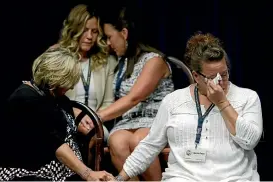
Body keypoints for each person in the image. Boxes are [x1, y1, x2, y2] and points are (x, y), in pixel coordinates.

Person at [111, 32, 263, 181]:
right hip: (183, 178)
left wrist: (222, 103)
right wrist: (119, 178)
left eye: (224, 74)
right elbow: (150, 146)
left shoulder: (247, 97)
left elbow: (250, 141)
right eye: (212, 77)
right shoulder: (174, 101)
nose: (220, 82)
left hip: (233, 178)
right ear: (196, 76)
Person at [0, 47, 114, 181]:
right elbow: (55, 143)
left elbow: (64, 122)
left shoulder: (58, 98)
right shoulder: (24, 99)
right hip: (22, 172)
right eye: (68, 82)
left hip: (61, 172)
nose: (71, 87)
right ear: (55, 78)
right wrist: (88, 174)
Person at [82, 6, 174, 181]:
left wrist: (97, 116)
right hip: (129, 121)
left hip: (155, 120)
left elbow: (134, 97)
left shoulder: (154, 60)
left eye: (109, 37)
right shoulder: (122, 61)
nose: (108, 43)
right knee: (116, 141)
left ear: (124, 33)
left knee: (139, 141)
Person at [53, 4, 117, 142]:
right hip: (65, 118)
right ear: (73, 30)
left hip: (96, 122)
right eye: (84, 30)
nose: (89, 37)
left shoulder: (107, 61)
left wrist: (93, 119)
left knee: (94, 135)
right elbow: (50, 99)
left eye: (94, 31)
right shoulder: (57, 56)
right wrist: (75, 115)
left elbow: (108, 102)